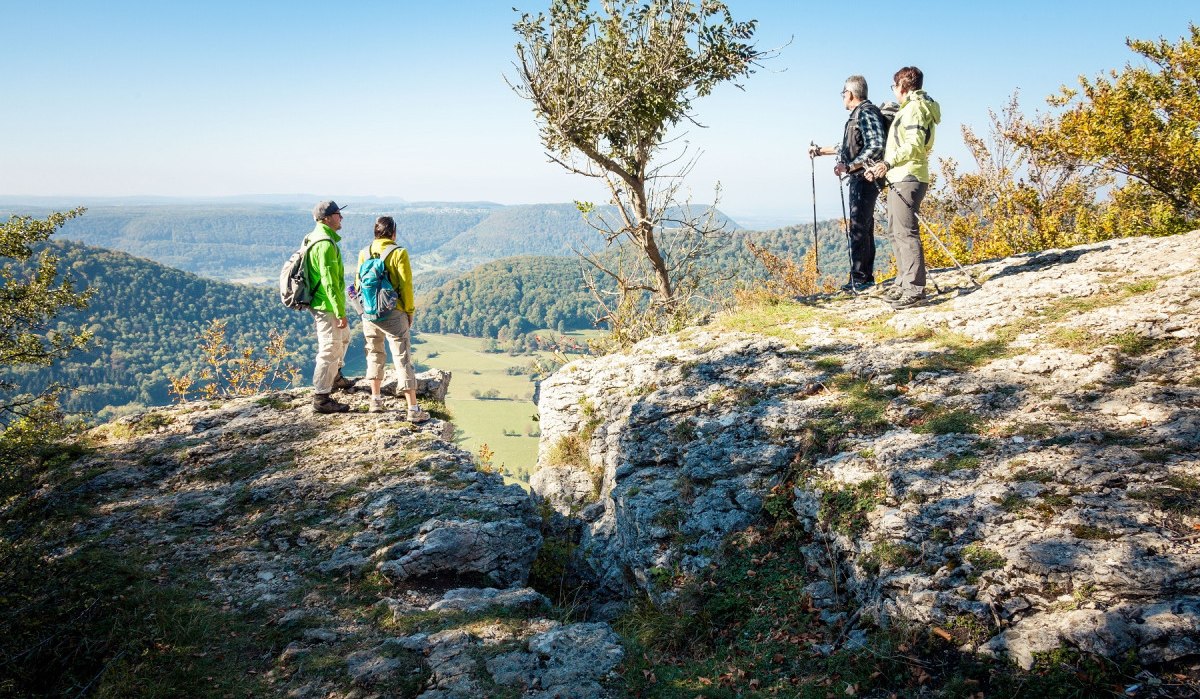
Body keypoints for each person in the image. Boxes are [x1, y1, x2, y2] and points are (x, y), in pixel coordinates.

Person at [865, 66, 941, 310]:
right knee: (895, 231)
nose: (894, 92)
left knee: (906, 233)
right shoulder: (912, 108)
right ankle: (903, 282)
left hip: (908, 176)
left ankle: (914, 288)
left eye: (894, 87)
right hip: (902, 175)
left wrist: (887, 163)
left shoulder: (915, 109)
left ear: (903, 87)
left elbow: (915, 145)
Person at [809, 75, 887, 293]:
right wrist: (820, 151)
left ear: (850, 93)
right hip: (861, 177)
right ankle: (862, 277)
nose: (842, 97)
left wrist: (850, 166)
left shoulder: (866, 112)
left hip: (866, 178)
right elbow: (849, 144)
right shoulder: (860, 115)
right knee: (861, 226)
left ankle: (861, 279)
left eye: (843, 93)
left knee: (859, 228)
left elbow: (876, 146)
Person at [356, 216, 429, 422]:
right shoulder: (399, 253)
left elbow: (358, 283)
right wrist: (409, 310)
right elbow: (406, 285)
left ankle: (375, 400)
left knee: (374, 353)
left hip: (369, 313)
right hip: (394, 313)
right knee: (402, 357)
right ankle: (413, 410)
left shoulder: (364, 252)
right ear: (393, 233)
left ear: (375, 233)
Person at [305, 200, 355, 414]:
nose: (341, 217)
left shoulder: (314, 237)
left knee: (344, 337)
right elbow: (329, 282)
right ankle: (322, 398)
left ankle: (335, 377)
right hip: (326, 304)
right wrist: (339, 311)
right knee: (329, 348)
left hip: (324, 302)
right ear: (326, 218)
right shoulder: (325, 244)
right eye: (337, 214)